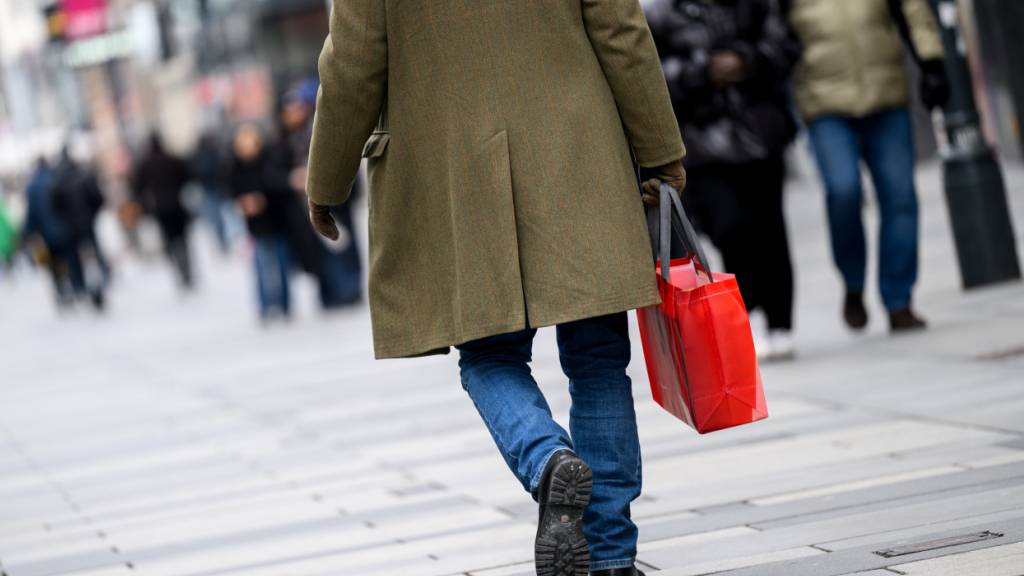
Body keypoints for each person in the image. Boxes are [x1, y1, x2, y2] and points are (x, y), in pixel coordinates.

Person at [305, 2, 686, 574]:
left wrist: (326, 179)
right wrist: (661, 151)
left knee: (488, 355)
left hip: (453, 171)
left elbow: (353, 64)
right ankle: (610, 555)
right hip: (579, 153)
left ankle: (547, 458)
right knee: (599, 359)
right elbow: (620, 30)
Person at [646, 0, 802, 361]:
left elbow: (785, 46)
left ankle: (780, 320)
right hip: (702, 145)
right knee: (729, 228)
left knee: (770, 229)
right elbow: (649, 74)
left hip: (759, 134)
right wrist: (702, 71)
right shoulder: (661, 15)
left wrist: (746, 61)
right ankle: (750, 312)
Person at [788, 0, 949, 332]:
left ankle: (899, 300)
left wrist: (931, 61)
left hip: (886, 94)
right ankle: (853, 282)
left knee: (900, 195)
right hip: (823, 102)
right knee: (843, 190)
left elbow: (914, 10)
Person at [230, 124, 295, 321]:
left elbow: (278, 184)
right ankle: (266, 306)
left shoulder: (269, 160)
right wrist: (243, 202)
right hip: (256, 227)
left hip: (277, 220)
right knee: (260, 267)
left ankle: (284, 304)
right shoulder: (235, 166)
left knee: (283, 265)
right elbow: (232, 190)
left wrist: (262, 199)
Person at [133, 134, 195, 290]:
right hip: (176, 205)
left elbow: (138, 188)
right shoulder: (172, 159)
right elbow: (186, 177)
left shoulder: (145, 164)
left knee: (170, 241)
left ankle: (179, 270)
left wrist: (147, 205)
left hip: (160, 208)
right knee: (182, 239)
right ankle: (186, 269)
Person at [50, 146, 109, 310]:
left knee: (75, 258)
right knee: (95, 253)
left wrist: (65, 219)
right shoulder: (83, 174)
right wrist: (92, 214)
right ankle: (102, 278)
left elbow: (55, 206)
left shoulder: (57, 180)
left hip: (71, 227)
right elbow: (97, 197)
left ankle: (81, 286)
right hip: (87, 223)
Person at [191, 132, 234, 254]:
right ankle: (224, 240)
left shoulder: (199, 156)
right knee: (223, 216)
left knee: (215, 218)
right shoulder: (215, 153)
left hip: (210, 189)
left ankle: (222, 240)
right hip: (217, 188)